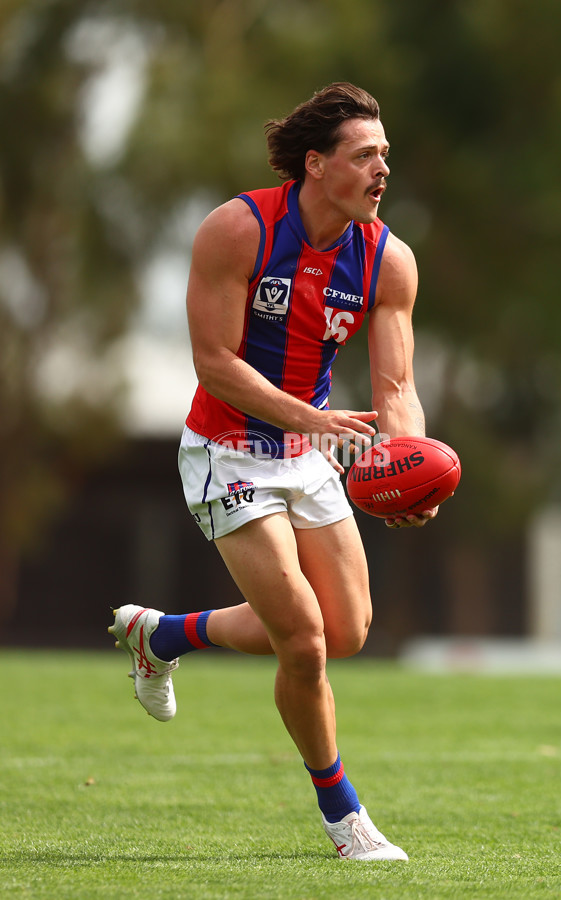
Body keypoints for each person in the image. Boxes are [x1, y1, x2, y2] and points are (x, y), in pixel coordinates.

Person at [108, 82, 437, 861]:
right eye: (365, 156)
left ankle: (163, 634)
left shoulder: (389, 260)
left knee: (346, 630)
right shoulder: (238, 228)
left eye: (385, 155)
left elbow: (396, 389)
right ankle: (345, 819)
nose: (382, 168)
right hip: (227, 452)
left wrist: (405, 463)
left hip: (307, 452)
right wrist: (314, 420)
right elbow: (215, 364)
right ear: (316, 165)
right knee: (305, 641)